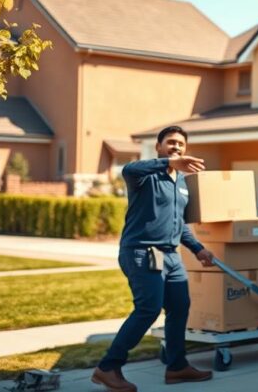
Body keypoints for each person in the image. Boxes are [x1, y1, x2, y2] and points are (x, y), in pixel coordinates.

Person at [93, 126, 215, 391]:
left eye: (181, 144)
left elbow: (178, 222)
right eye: (170, 143)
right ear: (159, 147)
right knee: (148, 309)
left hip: (170, 256)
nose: (176, 147)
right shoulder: (144, 176)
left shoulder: (180, 183)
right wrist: (169, 163)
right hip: (142, 251)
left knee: (180, 306)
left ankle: (177, 367)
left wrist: (197, 248)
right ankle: (108, 367)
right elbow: (130, 169)